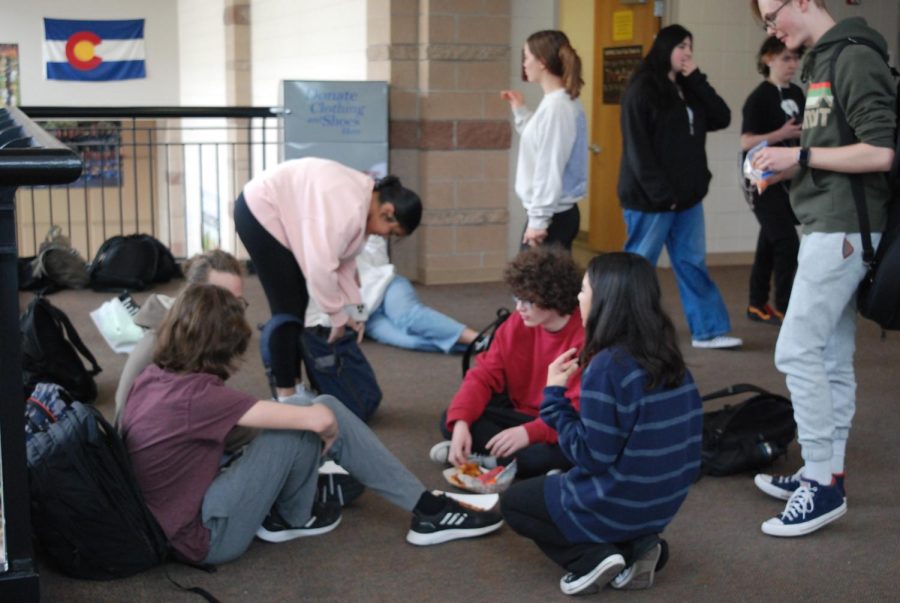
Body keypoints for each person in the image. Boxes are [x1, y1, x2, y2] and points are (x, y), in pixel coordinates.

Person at [120, 283, 504, 566]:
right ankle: (426, 511)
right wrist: (325, 429)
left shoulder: (155, 376)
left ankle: (308, 493)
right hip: (204, 537)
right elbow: (318, 417)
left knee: (302, 409)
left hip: (173, 513)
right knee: (319, 410)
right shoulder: (199, 396)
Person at [749, 0, 896, 537]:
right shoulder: (822, 62)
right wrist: (786, 169)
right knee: (831, 355)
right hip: (825, 223)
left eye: (773, 15)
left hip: (843, 229)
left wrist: (801, 159)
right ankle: (826, 470)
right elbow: (834, 150)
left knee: (796, 349)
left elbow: (881, 150)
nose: (772, 28)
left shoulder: (854, 58)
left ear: (804, 0)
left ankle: (820, 484)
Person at [501, 252, 702, 595]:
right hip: (661, 503)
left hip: (619, 501)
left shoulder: (609, 365)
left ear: (606, 300)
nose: (579, 297)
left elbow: (591, 456)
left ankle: (593, 557)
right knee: (552, 477)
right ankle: (640, 545)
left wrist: (553, 397)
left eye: (583, 289)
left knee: (515, 503)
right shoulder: (670, 357)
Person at [234, 157, 422, 400]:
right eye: (391, 232)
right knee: (288, 309)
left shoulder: (364, 202)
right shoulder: (349, 211)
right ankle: (286, 395)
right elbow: (320, 268)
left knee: (296, 306)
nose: (385, 237)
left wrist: (356, 312)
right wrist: (337, 314)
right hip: (258, 208)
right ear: (388, 212)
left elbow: (344, 265)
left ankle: (295, 387)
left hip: (277, 207)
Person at [618, 24, 742, 350]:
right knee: (638, 266)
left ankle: (708, 330)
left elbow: (722, 116)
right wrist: (662, 195)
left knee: (692, 262)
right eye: (680, 46)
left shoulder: (688, 88)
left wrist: (697, 77)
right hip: (651, 200)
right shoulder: (642, 89)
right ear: (664, 48)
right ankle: (621, 330)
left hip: (687, 199)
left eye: (690, 46)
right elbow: (637, 150)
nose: (687, 52)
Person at [430, 246, 584, 478]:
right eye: (517, 298)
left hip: (559, 422)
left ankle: (487, 460)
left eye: (529, 301)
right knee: (453, 418)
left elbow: (579, 411)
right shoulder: (516, 323)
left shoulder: (584, 334)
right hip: (520, 415)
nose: (519, 308)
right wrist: (461, 423)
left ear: (553, 296)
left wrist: (530, 433)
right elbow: (483, 374)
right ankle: (501, 462)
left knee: (561, 449)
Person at [113, 249, 251, 452]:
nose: (233, 313)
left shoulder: (199, 333)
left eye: (237, 302)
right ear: (194, 296)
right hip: (156, 459)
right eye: (222, 300)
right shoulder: (158, 345)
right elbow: (124, 423)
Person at [306, 235, 478, 353]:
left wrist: (356, 312)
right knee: (410, 341)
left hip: (385, 286)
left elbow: (373, 262)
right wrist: (356, 317)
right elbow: (318, 311)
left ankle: (483, 339)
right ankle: (481, 347)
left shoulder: (345, 228)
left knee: (409, 318)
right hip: (368, 316)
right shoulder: (303, 255)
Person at [501, 30, 587, 251]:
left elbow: (549, 166)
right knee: (539, 284)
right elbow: (541, 142)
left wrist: (538, 222)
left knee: (535, 285)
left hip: (551, 219)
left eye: (527, 57)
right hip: (552, 215)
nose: (524, 64)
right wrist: (520, 111)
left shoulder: (558, 107)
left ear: (542, 62)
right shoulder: (555, 103)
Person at [741, 36, 804, 326]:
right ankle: (785, 305)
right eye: (786, 58)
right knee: (786, 241)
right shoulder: (759, 97)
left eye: (795, 58)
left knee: (770, 239)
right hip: (761, 180)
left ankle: (756, 303)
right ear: (768, 59)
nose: (793, 64)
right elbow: (746, 141)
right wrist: (779, 135)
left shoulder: (799, 94)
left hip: (788, 176)